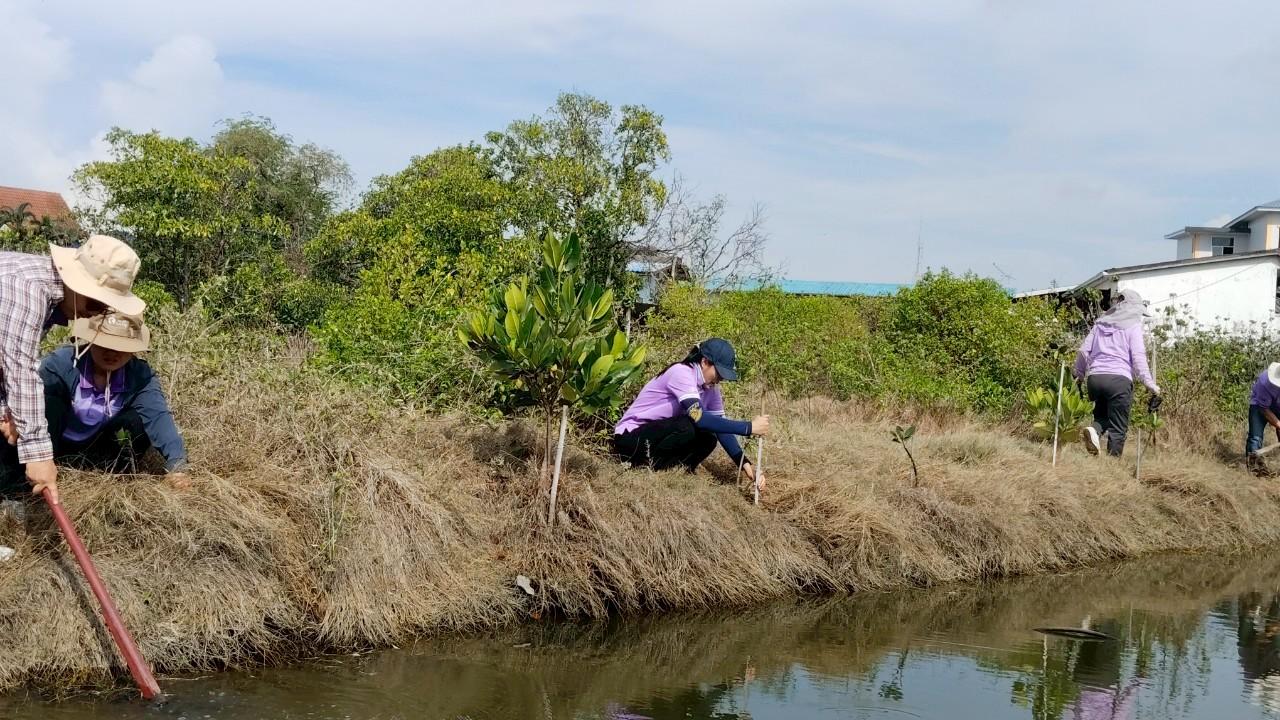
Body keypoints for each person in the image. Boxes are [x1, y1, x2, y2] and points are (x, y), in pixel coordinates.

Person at [0, 236, 145, 505]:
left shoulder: (44, 292)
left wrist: (5, 411)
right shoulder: (27, 290)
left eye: (105, 307)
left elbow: (4, 360)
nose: (94, 315)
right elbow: (21, 370)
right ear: (77, 286)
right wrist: (39, 454)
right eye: (96, 304)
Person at [38, 312, 189, 488]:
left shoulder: (139, 375)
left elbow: (158, 417)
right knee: (48, 404)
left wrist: (177, 465)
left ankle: (112, 477)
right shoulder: (60, 365)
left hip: (101, 451)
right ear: (91, 340)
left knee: (135, 421)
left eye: (121, 346)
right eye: (104, 344)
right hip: (54, 444)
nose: (111, 353)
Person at [613, 338, 769, 485]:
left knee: (709, 438)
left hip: (656, 436)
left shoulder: (710, 388)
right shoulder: (681, 372)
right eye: (719, 373)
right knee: (687, 426)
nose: (720, 379)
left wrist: (745, 464)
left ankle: (672, 470)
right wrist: (748, 428)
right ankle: (643, 464)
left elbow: (721, 429)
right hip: (631, 438)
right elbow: (699, 417)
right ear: (704, 362)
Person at [1072, 289, 1160, 457]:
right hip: (1119, 381)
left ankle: (1094, 430)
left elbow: (1083, 351)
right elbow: (1138, 357)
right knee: (1118, 426)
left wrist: (1079, 375)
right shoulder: (1133, 326)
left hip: (1095, 379)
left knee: (1103, 417)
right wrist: (1149, 383)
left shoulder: (1100, 324)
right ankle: (1113, 464)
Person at [1246, 363, 1280, 461]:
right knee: (1255, 438)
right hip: (1259, 407)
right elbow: (1264, 409)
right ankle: (1253, 465)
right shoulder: (1264, 382)